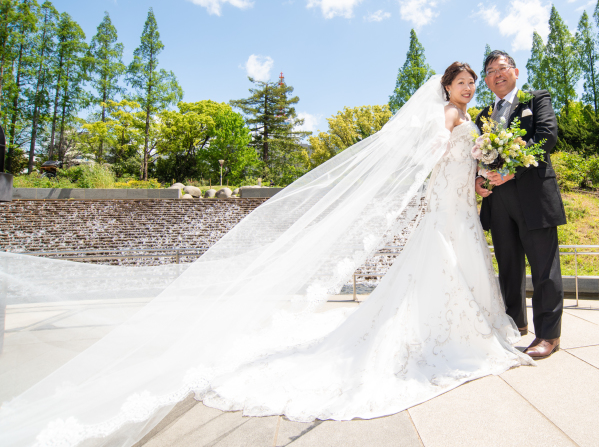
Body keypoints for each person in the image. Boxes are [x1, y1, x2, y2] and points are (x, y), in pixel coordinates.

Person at [0, 64, 531, 446]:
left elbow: (466, 164)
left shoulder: (472, 121)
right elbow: (435, 158)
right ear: (448, 87)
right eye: (463, 82)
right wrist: (475, 151)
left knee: (463, 265)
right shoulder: (449, 119)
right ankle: (446, 333)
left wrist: (484, 170)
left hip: (464, 204)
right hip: (445, 207)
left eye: (470, 83)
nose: (468, 88)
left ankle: (471, 326)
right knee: (441, 266)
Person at [474, 50, 567, 359]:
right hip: (498, 200)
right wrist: (480, 178)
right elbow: (477, 156)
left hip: (533, 196)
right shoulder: (483, 116)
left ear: (515, 72)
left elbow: (546, 137)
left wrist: (509, 170)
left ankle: (548, 335)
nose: (497, 74)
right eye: (490, 71)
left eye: (502, 68)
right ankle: (515, 326)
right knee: (509, 268)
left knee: (544, 268)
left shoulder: (536, 99)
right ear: (486, 81)